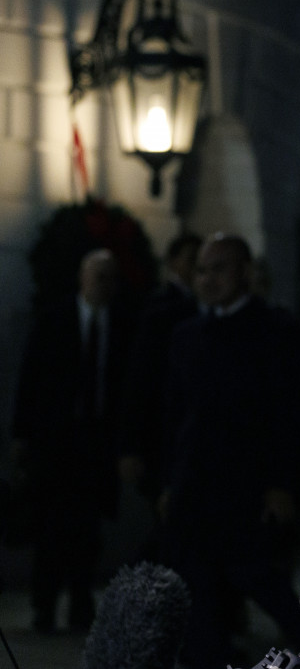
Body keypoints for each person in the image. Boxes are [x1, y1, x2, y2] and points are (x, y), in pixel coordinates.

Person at [157, 233, 300, 669]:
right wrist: (170, 482)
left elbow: (292, 415)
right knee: (197, 600)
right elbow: (175, 415)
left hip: (248, 492)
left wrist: (281, 485)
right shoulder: (187, 335)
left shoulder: (274, 331)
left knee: (265, 584)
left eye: (220, 268)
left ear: (245, 272)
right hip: (195, 490)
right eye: (203, 270)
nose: (209, 279)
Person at [11, 248, 135, 633]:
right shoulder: (55, 320)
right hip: (55, 441)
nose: (103, 285)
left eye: (109, 278)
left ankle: (80, 603)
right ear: (82, 279)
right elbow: (29, 379)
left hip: (96, 441)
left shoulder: (123, 325)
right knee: (50, 528)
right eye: (97, 277)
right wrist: (22, 436)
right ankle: (44, 605)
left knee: (87, 530)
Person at [119, 232, 203, 506]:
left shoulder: (202, 306)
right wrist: (132, 445)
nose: (197, 268)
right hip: (161, 429)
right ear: (173, 262)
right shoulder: (161, 310)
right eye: (192, 259)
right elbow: (141, 379)